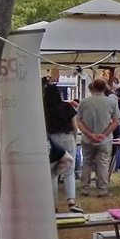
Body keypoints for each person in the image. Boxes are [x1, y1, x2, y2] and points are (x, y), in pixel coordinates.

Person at [76, 79, 120, 197]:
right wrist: (104, 134)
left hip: (87, 138)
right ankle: (102, 189)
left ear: (93, 87)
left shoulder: (84, 102)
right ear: (104, 88)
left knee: (87, 162)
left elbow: (79, 121)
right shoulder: (111, 102)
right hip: (105, 139)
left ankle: (85, 188)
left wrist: (89, 134)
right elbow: (116, 121)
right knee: (103, 164)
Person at [42, 83, 82, 213]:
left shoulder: (43, 109)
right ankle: (71, 201)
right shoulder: (67, 107)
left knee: (53, 172)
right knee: (69, 171)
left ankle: (53, 205)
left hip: (52, 139)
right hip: (67, 137)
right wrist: (73, 139)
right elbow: (75, 127)